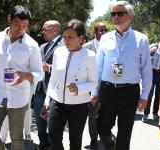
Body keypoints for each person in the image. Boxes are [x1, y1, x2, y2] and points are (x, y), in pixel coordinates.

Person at [0, 5, 43, 150]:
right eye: (16, 24)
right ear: (9, 19)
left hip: (19, 98)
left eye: (24, 26)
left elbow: (39, 73)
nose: (20, 29)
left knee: (17, 139)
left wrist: (26, 76)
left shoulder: (32, 45)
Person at [91, 1, 152, 150]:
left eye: (120, 13)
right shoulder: (105, 38)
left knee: (125, 132)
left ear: (129, 16)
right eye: (113, 13)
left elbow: (146, 70)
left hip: (129, 91)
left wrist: (145, 95)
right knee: (101, 126)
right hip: (108, 89)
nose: (115, 16)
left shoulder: (141, 39)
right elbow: (98, 68)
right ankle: (111, 146)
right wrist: (95, 91)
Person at [40, 19, 98, 150]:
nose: (66, 40)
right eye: (64, 36)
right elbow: (53, 80)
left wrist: (80, 88)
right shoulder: (58, 52)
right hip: (57, 103)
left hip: (79, 106)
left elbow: (94, 82)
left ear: (81, 38)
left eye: (70, 37)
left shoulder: (90, 56)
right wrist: (47, 101)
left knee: (75, 142)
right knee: (54, 138)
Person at [32, 20, 63, 150]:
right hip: (39, 89)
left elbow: (66, 66)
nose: (42, 32)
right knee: (39, 119)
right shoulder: (42, 46)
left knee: (54, 121)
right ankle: (43, 143)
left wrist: (49, 68)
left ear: (55, 30)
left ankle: (55, 145)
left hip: (55, 90)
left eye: (45, 29)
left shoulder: (64, 44)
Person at [83, 21, 107, 148]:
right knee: (93, 114)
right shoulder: (87, 47)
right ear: (95, 32)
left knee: (107, 113)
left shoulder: (111, 46)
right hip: (91, 86)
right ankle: (93, 138)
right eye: (100, 30)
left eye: (104, 30)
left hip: (108, 86)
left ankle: (105, 135)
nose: (103, 32)